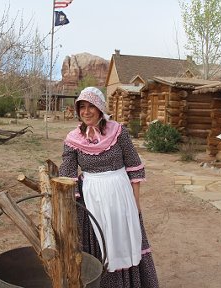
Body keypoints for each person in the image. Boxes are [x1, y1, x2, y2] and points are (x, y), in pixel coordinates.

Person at [59, 87, 159, 288]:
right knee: (100, 243)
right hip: (92, 197)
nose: (86, 112)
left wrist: (135, 202)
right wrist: (74, 201)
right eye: (82, 107)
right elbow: (67, 173)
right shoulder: (73, 139)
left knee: (124, 240)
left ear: (100, 108)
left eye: (91, 107)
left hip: (121, 194)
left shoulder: (118, 131)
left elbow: (134, 166)